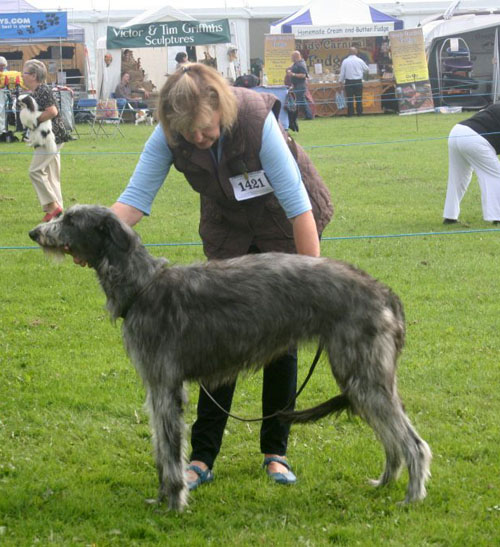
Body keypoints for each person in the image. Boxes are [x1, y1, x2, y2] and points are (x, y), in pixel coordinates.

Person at [102, 63, 333, 490]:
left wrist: (311, 282)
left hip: (282, 222)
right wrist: (96, 236)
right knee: (214, 335)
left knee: (281, 337)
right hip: (228, 227)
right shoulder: (171, 134)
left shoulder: (254, 120)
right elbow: (133, 202)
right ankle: (203, 457)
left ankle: (275, 452)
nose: (196, 139)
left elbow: (298, 205)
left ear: (219, 108)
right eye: (186, 133)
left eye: (204, 131)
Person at [22, 60, 68, 222]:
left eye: (24, 73)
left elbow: (52, 111)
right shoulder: (38, 91)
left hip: (50, 137)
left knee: (35, 171)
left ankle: (53, 207)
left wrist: (35, 121)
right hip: (54, 136)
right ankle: (59, 215)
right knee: (51, 175)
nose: (22, 76)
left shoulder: (42, 90)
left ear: (33, 75)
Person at [443, 103, 500, 225]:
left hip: (457, 131)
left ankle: (450, 216)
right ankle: (497, 217)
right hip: (476, 138)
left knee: (457, 178)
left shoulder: (496, 106)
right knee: (494, 176)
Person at [339, 47, 369, 117]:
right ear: (356, 52)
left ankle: (350, 114)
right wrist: (361, 72)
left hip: (349, 82)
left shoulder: (345, 61)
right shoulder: (360, 60)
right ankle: (359, 113)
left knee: (350, 98)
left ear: (348, 52)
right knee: (359, 98)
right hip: (358, 81)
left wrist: (340, 81)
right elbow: (367, 69)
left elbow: (342, 73)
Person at [286, 51, 313, 120]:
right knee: (300, 100)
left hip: (300, 85)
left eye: (292, 57)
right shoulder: (296, 63)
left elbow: (303, 75)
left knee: (301, 101)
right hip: (296, 84)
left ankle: (309, 115)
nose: (291, 58)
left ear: (295, 57)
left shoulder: (301, 64)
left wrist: (293, 74)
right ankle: (307, 115)